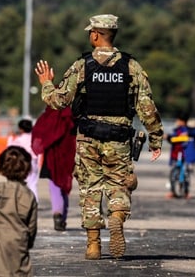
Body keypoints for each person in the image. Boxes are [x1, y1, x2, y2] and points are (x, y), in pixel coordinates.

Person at [35, 13, 164, 260]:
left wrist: (46, 83)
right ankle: (116, 217)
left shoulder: (82, 66)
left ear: (95, 35)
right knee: (119, 185)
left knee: (90, 189)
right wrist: (156, 138)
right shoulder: (131, 66)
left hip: (88, 138)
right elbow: (147, 108)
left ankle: (93, 244)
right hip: (119, 139)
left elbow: (58, 101)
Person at [0, 146, 38, 277]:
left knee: (1, 272)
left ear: (2, 168)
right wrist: (29, 242)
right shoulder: (29, 195)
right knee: (20, 271)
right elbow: (32, 225)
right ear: (27, 169)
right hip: (20, 241)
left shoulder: (0, 189)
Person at [31, 106, 77, 231]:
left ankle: (57, 213)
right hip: (68, 155)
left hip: (52, 156)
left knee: (54, 184)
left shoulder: (48, 115)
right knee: (64, 185)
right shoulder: (71, 115)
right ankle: (62, 218)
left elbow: (39, 133)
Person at [165, 112, 195, 198]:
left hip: (185, 155)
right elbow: (171, 138)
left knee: (186, 173)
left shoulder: (189, 130)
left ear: (182, 121)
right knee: (173, 173)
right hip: (176, 154)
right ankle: (173, 191)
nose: (177, 122)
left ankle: (186, 192)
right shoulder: (176, 130)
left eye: (178, 120)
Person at [7, 118, 40, 202]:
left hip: (24, 162)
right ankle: (35, 201)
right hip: (34, 161)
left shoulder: (19, 139)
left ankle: (25, 202)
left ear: (20, 129)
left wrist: (10, 137)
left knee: (24, 183)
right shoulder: (35, 139)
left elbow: (10, 147)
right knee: (33, 183)